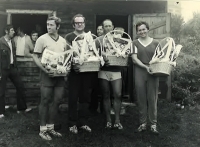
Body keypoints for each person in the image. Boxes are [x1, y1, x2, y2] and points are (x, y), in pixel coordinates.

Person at [33, 16, 67, 140]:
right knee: (45, 100)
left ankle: (50, 127)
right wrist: (45, 70)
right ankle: (42, 130)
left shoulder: (63, 41)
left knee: (57, 100)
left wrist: (65, 69)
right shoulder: (42, 39)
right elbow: (35, 57)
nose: (48, 27)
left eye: (51, 25)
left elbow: (65, 59)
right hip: (46, 74)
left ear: (58, 26)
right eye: (47, 24)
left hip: (60, 76)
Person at [65, 14, 92, 134]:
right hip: (74, 72)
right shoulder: (69, 36)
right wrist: (72, 66)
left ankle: (83, 122)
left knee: (85, 97)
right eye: (77, 23)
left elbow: (92, 52)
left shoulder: (89, 36)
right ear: (73, 24)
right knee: (73, 97)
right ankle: (72, 123)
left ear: (84, 24)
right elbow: (66, 54)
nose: (79, 24)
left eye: (81, 22)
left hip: (87, 70)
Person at [131, 21, 159, 135]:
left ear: (148, 29)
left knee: (152, 98)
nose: (142, 32)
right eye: (139, 30)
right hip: (140, 71)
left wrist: (152, 66)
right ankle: (143, 123)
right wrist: (144, 66)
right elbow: (134, 59)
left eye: (143, 29)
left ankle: (153, 124)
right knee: (141, 97)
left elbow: (159, 57)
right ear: (137, 32)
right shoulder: (134, 43)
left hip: (153, 72)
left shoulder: (156, 42)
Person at [0, 25, 32, 118]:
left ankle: (21, 108)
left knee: (20, 86)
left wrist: (16, 66)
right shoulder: (1, 42)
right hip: (3, 69)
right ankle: (1, 112)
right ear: (6, 31)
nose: (14, 32)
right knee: (1, 90)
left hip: (12, 67)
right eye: (12, 30)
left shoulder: (12, 41)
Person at [97, 19, 123, 130]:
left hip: (116, 70)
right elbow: (92, 52)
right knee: (105, 95)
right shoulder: (98, 40)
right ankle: (108, 120)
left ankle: (117, 120)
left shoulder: (118, 39)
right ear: (102, 28)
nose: (107, 28)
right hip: (103, 70)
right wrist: (101, 54)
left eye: (109, 26)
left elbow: (124, 51)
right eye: (105, 26)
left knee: (117, 94)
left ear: (113, 27)